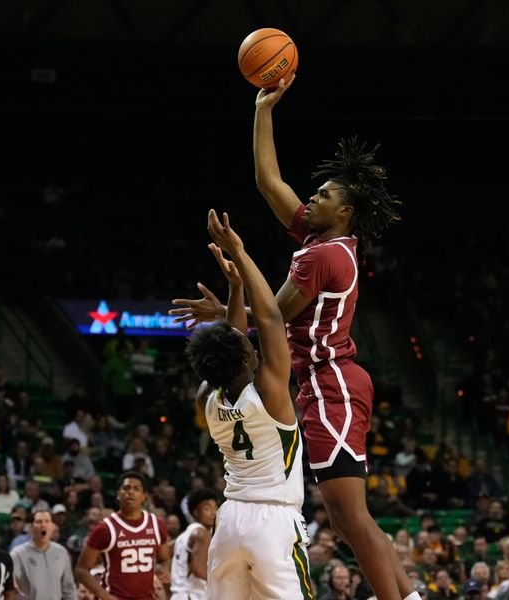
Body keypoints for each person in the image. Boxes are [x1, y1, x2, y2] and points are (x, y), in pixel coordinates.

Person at [171, 79, 415, 600]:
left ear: (345, 212)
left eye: (324, 195)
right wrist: (263, 109)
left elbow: (272, 317)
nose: (313, 197)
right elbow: (268, 180)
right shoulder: (321, 238)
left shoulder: (320, 256)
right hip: (322, 381)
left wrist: (226, 300)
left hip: (331, 384)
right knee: (353, 521)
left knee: (349, 518)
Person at [183, 210, 313, 598]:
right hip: (273, 520)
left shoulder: (208, 397)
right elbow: (272, 318)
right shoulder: (269, 394)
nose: (254, 346)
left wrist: (235, 288)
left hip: (231, 519)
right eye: (249, 348)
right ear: (245, 361)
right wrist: (239, 252)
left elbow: (233, 337)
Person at [74, 472, 171, 600]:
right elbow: (81, 569)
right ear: (118, 494)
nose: (130, 492)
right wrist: (105, 596)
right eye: (126, 488)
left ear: (143, 496)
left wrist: (163, 568)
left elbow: (164, 559)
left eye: (136, 489)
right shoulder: (105, 528)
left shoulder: (156, 524)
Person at [11, 509, 77, 599]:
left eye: (47, 521)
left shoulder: (61, 552)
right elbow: (9, 588)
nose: (43, 525)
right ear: (31, 527)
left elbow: (69, 589)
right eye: (39, 522)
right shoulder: (18, 554)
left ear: (53, 526)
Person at [169, 488, 218, 600]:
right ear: (196, 512)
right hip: (192, 594)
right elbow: (199, 570)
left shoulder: (184, 535)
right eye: (207, 508)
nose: (213, 513)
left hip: (179, 594)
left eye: (215, 508)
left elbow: (164, 553)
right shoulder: (201, 533)